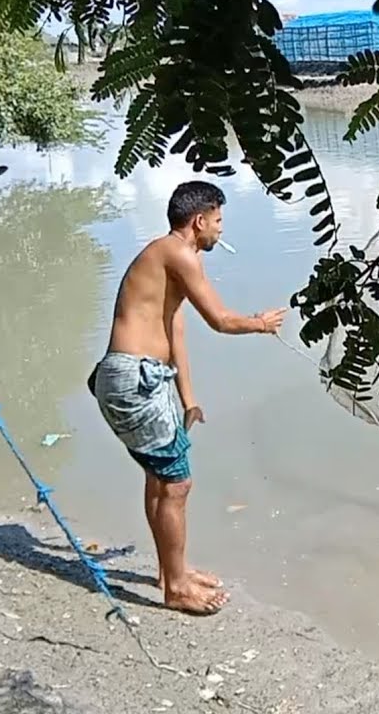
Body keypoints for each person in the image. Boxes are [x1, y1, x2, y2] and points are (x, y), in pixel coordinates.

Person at [87, 180, 286, 615]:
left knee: (159, 479)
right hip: (133, 379)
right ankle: (176, 587)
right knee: (177, 482)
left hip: (143, 379)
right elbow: (219, 319)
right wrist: (260, 323)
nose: (220, 230)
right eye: (218, 221)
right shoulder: (177, 253)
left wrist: (188, 398)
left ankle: (168, 570)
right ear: (199, 221)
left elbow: (175, 330)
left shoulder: (174, 258)